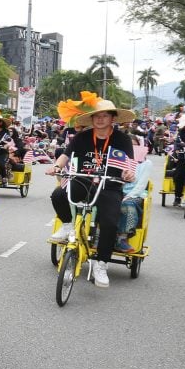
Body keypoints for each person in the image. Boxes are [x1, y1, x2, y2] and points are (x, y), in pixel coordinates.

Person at [47, 97, 136, 288]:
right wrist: (56, 166)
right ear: (92, 119)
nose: (101, 119)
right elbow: (65, 154)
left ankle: (101, 264)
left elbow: (129, 165)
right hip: (82, 180)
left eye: (105, 116)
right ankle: (68, 226)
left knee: (110, 222)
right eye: (97, 116)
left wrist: (129, 174)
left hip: (109, 185)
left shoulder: (122, 139)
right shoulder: (82, 137)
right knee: (58, 195)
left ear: (113, 118)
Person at [115, 146, 154, 253]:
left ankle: (122, 238)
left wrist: (129, 196)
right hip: (119, 191)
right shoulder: (120, 161)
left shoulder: (146, 164)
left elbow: (141, 185)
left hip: (136, 194)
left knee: (128, 204)